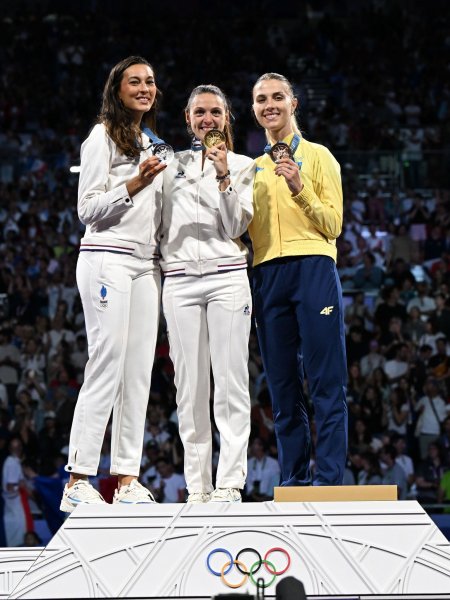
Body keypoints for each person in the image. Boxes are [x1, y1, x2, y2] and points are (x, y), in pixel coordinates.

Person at [60, 56, 167, 512]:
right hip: (107, 260)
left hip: (146, 268)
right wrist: (135, 184)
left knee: (137, 374)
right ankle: (79, 478)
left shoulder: (153, 143)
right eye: (134, 82)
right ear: (117, 90)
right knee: (106, 362)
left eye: (150, 82)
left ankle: (126, 479)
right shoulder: (101, 137)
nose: (144, 88)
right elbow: (87, 210)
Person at [249, 72, 347, 486]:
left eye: (277, 97)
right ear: (254, 110)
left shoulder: (321, 157)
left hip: (314, 268)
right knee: (283, 388)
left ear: (293, 104)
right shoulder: (247, 169)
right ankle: (292, 481)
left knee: (326, 382)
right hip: (267, 274)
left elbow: (334, 224)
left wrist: (299, 187)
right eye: (260, 99)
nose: (269, 105)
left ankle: (328, 481)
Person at [159, 84, 254, 503]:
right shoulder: (168, 166)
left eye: (215, 112)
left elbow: (236, 227)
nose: (207, 119)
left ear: (226, 118)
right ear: (187, 119)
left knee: (231, 382)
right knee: (190, 388)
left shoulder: (243, 165)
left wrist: (222, 175)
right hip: (179, 281)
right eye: (199, 112)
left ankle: (230, 483)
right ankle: (198, 487)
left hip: (227, 277)